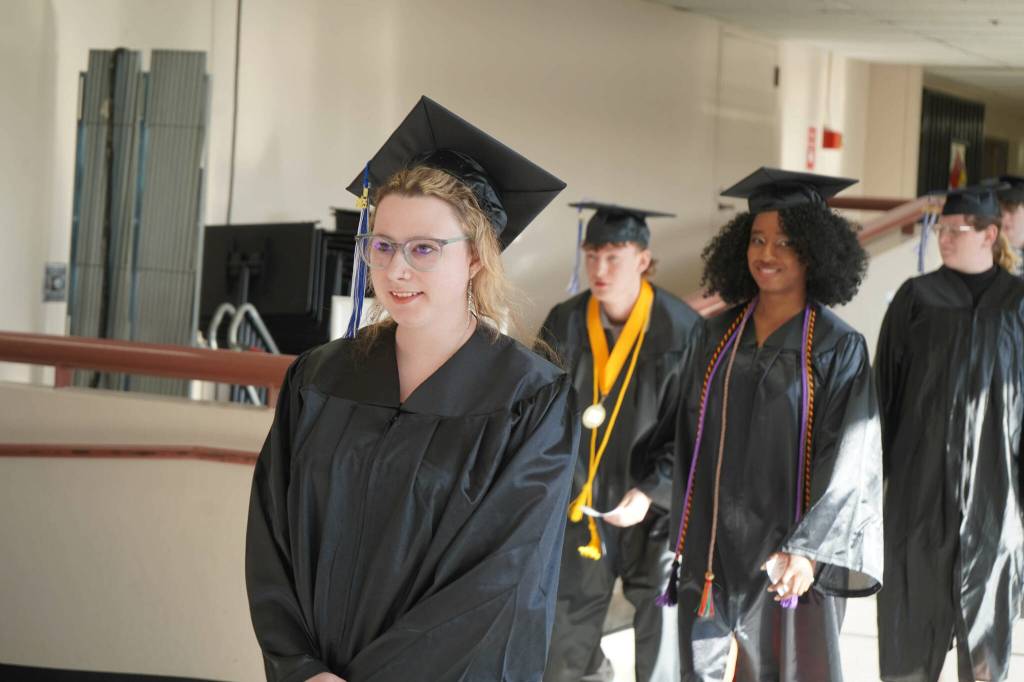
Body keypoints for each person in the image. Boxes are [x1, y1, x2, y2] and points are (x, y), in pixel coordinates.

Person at [245, 96, 579, 682]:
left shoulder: (530, 400)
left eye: (424, 248)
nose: (397, 270)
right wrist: (299, 667)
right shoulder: (319, 379)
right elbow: (271, 539)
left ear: (476, 256)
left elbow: (501, 577)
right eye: (382, 244)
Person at [662, 167, 883, 681]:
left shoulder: (836, 346)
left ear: (813, 251)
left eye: (785, 242)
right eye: (757, 239)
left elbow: (850, 461)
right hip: (712, 557)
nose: (767, 254)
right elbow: (682, 435)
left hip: (789, 560)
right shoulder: (714, 337)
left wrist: (810, 551)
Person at [540, 202, 699, 682]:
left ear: (643, 259)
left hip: (654, 510)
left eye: (614, 256)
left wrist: (652, 491)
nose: (599, 269)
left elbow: (693, 429)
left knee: (663, 626)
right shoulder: (564, 321)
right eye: (592, 255)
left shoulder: (682, 328)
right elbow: (541, 416)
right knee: (565, 635)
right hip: (581, 508)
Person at [875, 184, 1024, 682]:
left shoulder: (1018, 303)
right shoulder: (915, 300)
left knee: (986, 655)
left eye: (955, 230)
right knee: (909, 646)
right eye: (940, 229)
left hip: (995, 504)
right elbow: (882, 400)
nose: (943, 238)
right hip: (917, 501)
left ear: (990, 234)